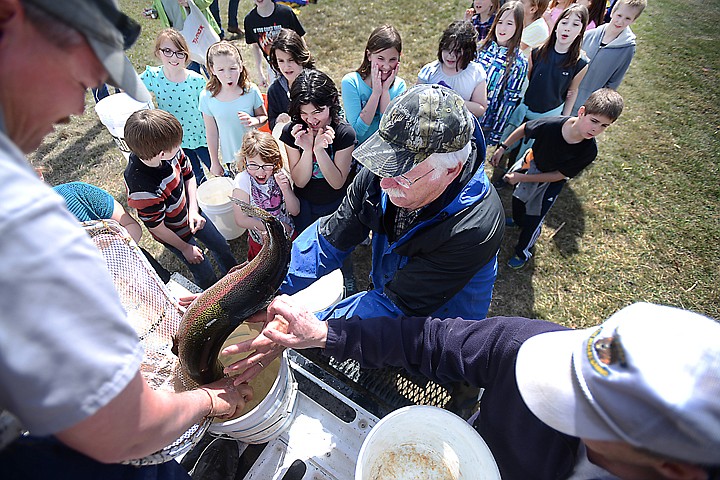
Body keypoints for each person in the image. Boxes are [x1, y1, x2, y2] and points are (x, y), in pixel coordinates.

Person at [0, 0, 249, 478]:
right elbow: (127, 431)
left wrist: (156, 298)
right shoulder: (26, 233)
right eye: (80, 76)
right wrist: (208, 399)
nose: (78, 107)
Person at [231, 296, 720, 480]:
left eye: (576, 411)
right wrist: (325, 334)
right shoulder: (536, 345)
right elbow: (432, 343)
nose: (547, 394)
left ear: (675, 470)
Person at [276, 84, 504, 323]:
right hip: (390, 297)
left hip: (443, 326)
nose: (384, 183)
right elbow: (331, 237)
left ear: (451, 170)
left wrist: (306, 328)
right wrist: (270, 283)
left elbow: (399, 306)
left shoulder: (473, 227)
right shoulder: (382, 177)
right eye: (384, 164)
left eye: (403, 174)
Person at [491, 88, 623, 269]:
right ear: (581, 112)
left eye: (604, 126)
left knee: (534, 217)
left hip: (549, 183)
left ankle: (522, 251)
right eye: (594, 121)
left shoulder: (589, 151)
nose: (596, 129)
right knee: (518, 199)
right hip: (532, 165)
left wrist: (520, 177)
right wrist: (502, 147)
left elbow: (558, 175)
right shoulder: (553, 124)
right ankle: (517, 221)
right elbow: (524, 129)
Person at [123, 109, 238, 289]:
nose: (180, 147)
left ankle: (235, 278)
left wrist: (193, 210)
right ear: (161, 154)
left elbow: (189, 176)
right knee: (203, 270)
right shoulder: (141, 188)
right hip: (173, 232)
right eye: (177, 145)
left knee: (221, 245)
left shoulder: (171, 150)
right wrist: (185, 248)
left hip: (191, 213)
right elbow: (157, 228)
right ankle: (210, 295)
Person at [279, 69, 357, 234]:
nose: (311, 120)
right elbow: (299, 181)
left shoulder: (344, 133)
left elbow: (337, 182)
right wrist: (307, 150)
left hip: (336, 203)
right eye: (304, 113)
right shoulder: (292, 131)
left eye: (317, 112)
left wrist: (319, 151)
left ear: (332, 101)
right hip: (305, 204)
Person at [52, 181, 172, 283]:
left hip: (142, 273)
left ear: (39, 174)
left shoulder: (77, 192)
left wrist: (115, 257)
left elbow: (131, 226)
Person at [141, 28, 212, 185]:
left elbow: (210, 107)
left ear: (186, 55)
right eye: (167, 51)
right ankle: (202, 202)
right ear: (158, 52)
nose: (174, 57)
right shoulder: (153, 76)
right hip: (175, 140)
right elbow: (133, 87)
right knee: (194, 175)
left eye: (179, 52)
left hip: (200, 134)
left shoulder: (196, 80)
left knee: (215, 168)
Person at [199, 41, 267, 176]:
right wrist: (215, 162)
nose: (228, 75)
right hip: (233, 159)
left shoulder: (251, 90)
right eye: (221, 70)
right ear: (212, 70)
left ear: (240, 66)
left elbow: (263, 117)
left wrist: (254, 121)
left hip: (257, 153)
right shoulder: (207, 97)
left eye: (232, 68)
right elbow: (212, 133)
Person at [232, 130, 299, 260]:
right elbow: (241, 219)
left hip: (288, 233)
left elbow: (295, 211)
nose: (260, 172)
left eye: (266, 165)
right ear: (245, 160)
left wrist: (286, 189)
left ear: (275, 162)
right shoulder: (243, 181)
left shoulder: (280, 175)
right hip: (262, 241)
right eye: (253, 165)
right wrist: (276, 228)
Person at [570, 0, 646, 114]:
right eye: (619, 15)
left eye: (627, 18)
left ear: (634, 20)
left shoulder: (627, 49)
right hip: (566, 95)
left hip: (588, 106)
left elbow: (614, 81)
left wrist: (597, 105)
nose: (620, 21)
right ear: (612, 13)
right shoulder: (589, 35)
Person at [341, 25, 407, 145]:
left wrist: (385, 91)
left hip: (384, 153)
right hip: (357, 151)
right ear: (369, 55)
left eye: (392, 59)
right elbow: (357, 131)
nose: (386, 66)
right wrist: (376, 94)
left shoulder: (400, 86)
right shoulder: (351, 82)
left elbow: (388, 131)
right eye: (381, 58)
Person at [476, 1, 529, 148]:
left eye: (510, 23)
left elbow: (509, 101)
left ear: (518, 27)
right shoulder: (481, 47)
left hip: (486, 122)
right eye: (500, 22)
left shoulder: (519, 62)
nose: (503, 28)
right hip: (467, 111)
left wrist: (496, 134)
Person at [418, 20, 488, 119]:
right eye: (446, 49)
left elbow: (480, 108)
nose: (451, 56)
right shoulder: (430, 71)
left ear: (468, 52)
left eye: (457, 51)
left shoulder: (475, 73)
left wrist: (452, 100)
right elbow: (415, 101)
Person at [243, 0, 306, 88]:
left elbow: (300, 38)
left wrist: (305, 63)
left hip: (293, 63)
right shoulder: (250, 20)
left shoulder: (285, 13)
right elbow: (255, 46)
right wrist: (260, 73)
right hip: (273, 67)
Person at [148, 0, 221, 74]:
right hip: (179, 39)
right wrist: (155, 12)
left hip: (199, 31)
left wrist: (191, 4)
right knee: (191, 73)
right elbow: (163, 6)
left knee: (212, 67)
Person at [267, 28, 315, 132]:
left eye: (291, 60)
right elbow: (271, 122)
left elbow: (335, 113)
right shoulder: (274, 90)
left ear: (301, 56)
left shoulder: (317, 83)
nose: (286, 66)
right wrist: (277, 121)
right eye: (281, 61)